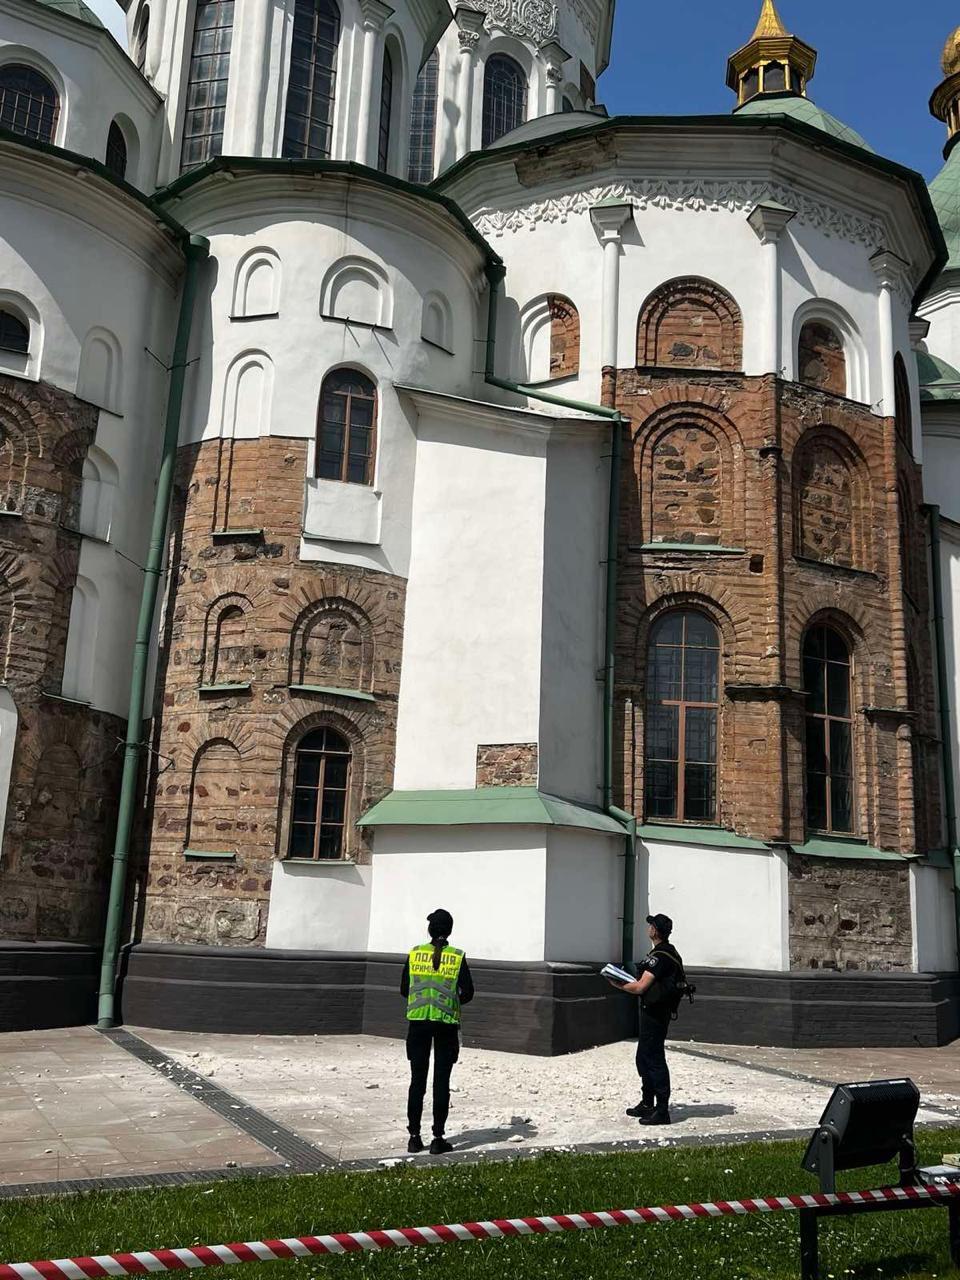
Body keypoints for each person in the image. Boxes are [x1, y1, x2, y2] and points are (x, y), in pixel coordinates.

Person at [399, 907, 474, 1154]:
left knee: (417, 1081)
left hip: (418, 1024)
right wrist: (451, 1000)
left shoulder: (415, 954)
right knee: (441, 1082)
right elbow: (468, 992)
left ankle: (413, 1138)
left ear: (429, 930)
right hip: (446, 1025)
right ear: (449, 930)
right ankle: (438, 1138)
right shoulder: (457, 956)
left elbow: (404, 989)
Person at [605, 912, 682, 1127]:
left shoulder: (661, 956)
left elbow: (640, 987)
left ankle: (662, 1110)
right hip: (653, 1011)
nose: (648, 928)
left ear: (655, 931)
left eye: (651, 926)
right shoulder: (665, 952)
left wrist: (617, 983)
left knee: (654, 1059)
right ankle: (648, 1103)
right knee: (644, 1057)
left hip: (656, 1013)